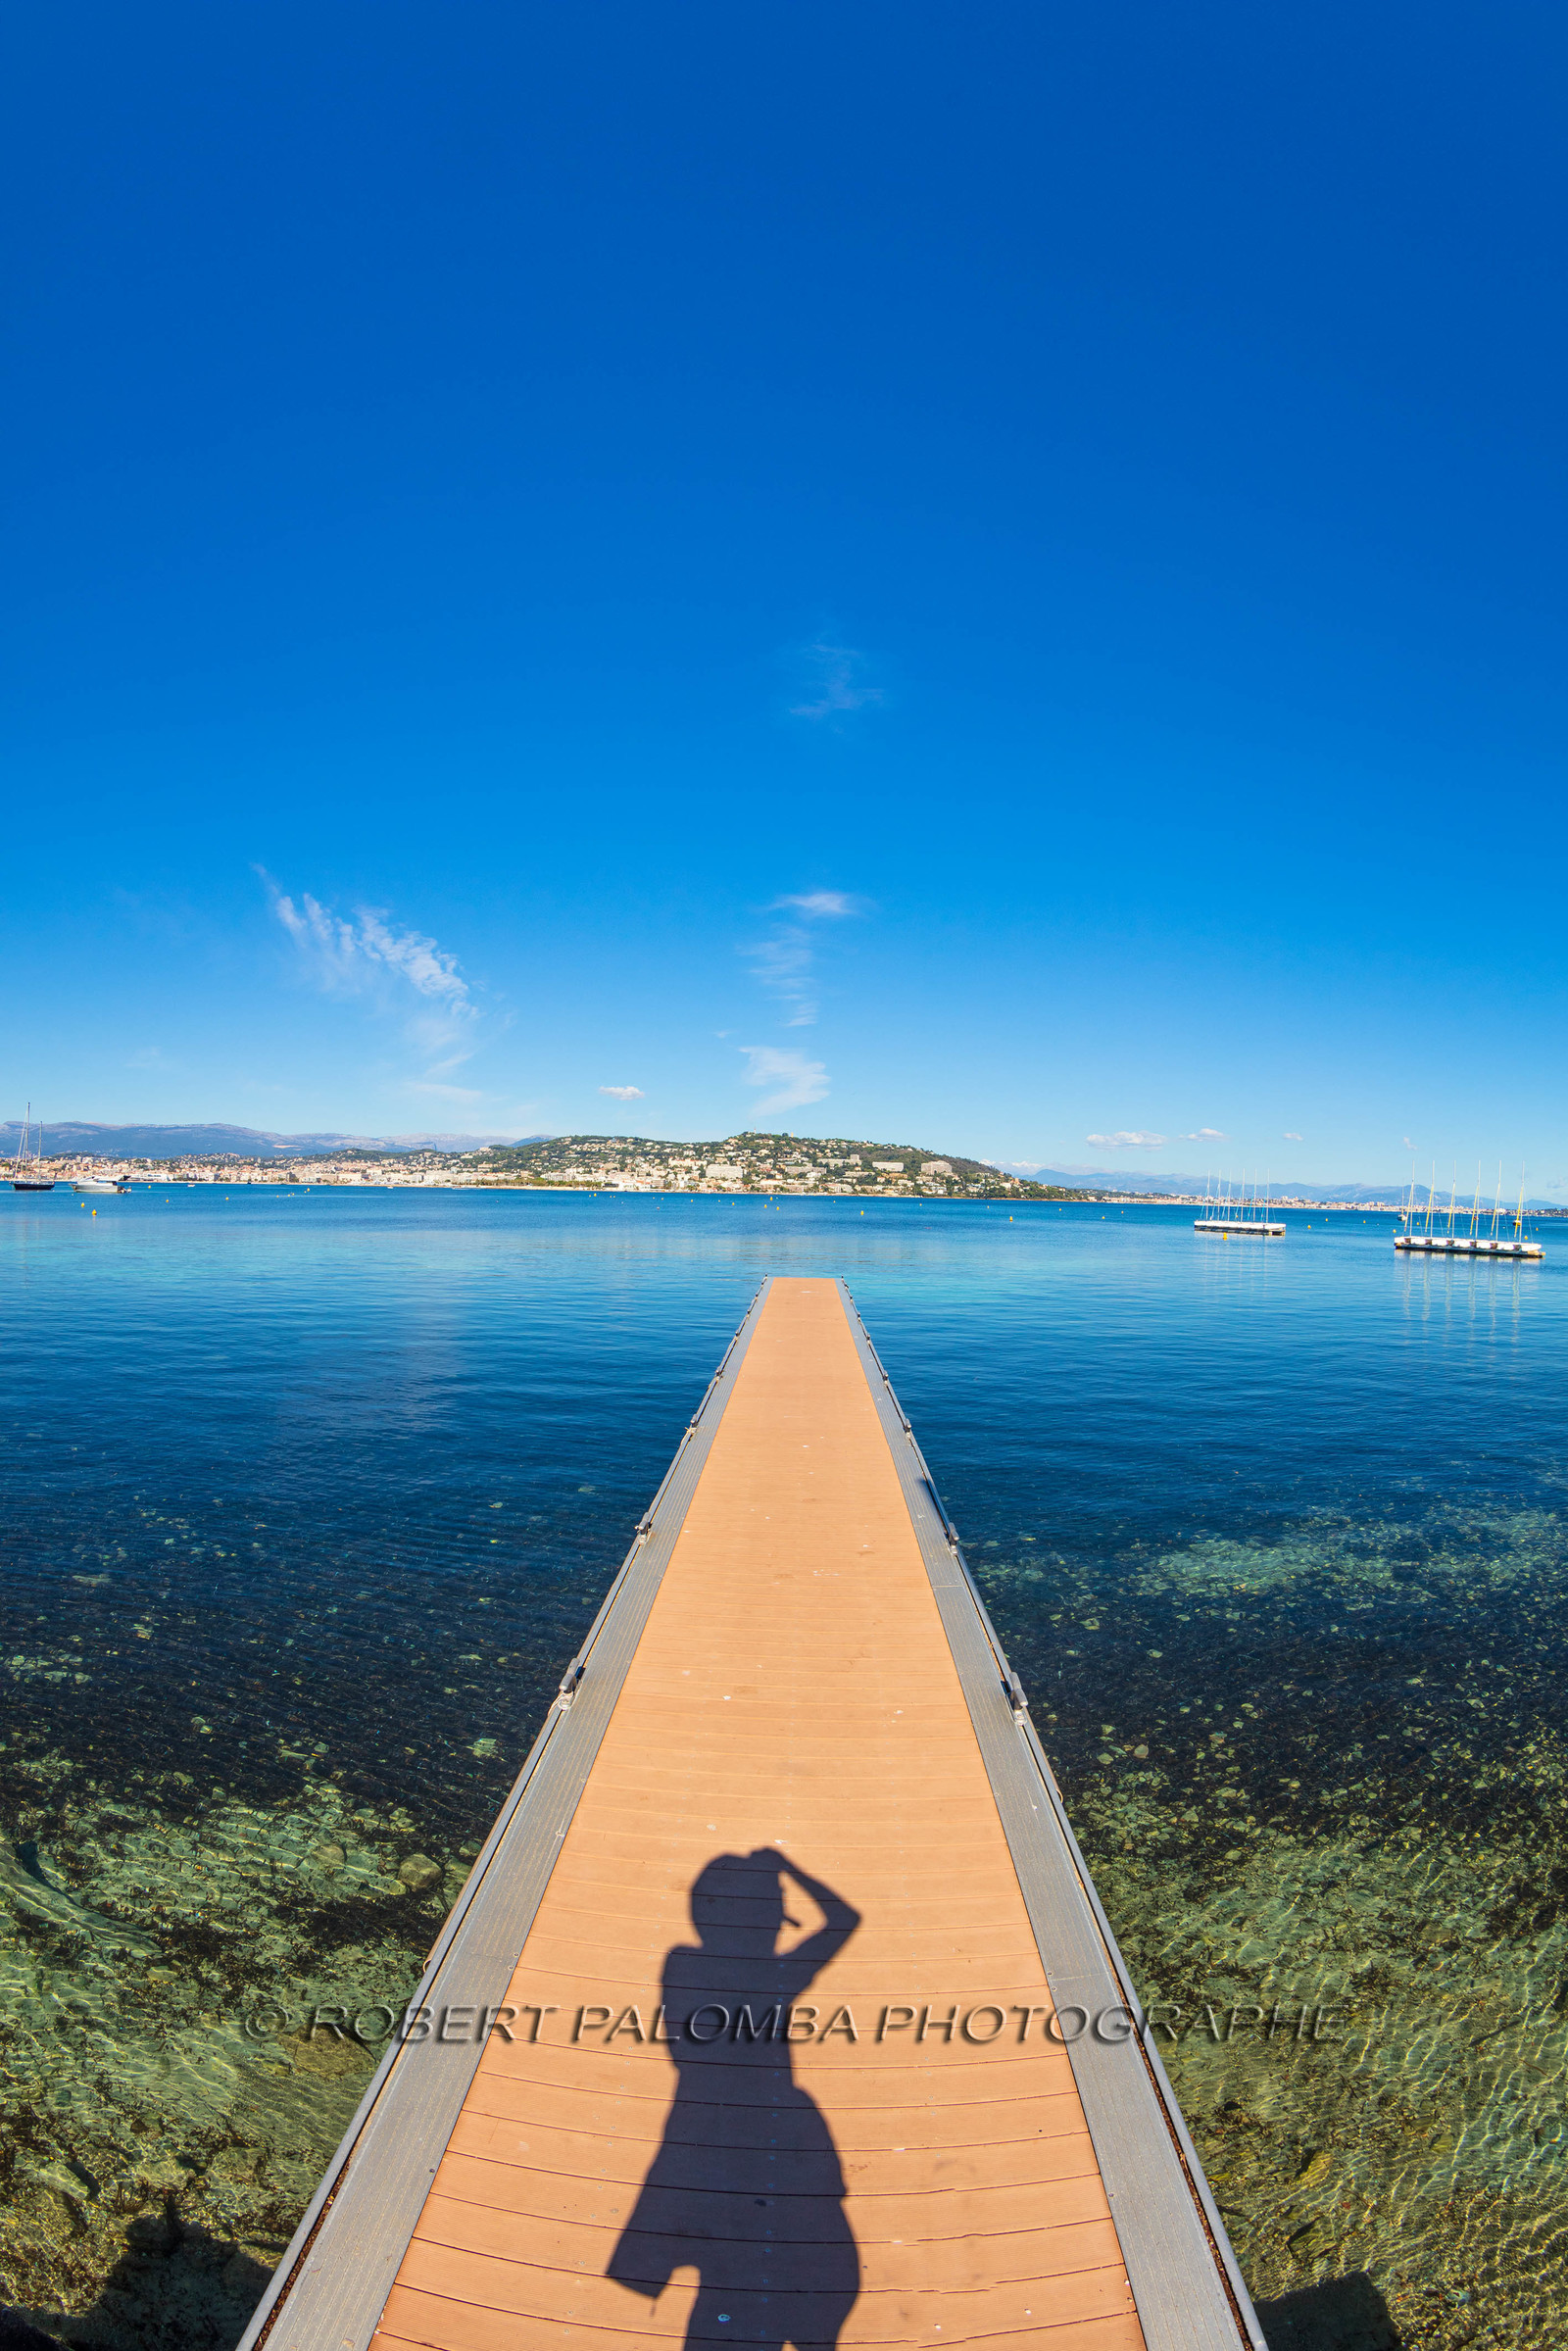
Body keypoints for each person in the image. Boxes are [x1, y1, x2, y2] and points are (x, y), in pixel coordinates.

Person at [608, 1847, 861, 2349]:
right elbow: (844, 1918)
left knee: (724, 2287)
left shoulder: (682, 1966)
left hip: (700, 2128)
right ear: (769, 1919)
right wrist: (790, 1866)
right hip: (770, 2126)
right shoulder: (778, 1978)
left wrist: (778, 1875)